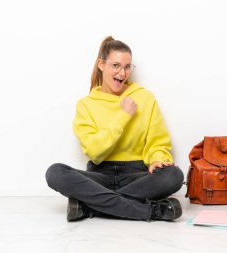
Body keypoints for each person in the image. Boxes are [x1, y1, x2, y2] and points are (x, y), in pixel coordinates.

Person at [45, 36, 184, 222]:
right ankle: (152, 211)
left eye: (127, 67)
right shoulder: (86, 105)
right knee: (55, 172)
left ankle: (88, 206)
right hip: (99, 176)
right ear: (101, 64)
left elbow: (157, 141)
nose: (123, 72)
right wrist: (123, 116)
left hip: (136, 176)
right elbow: (95, 152)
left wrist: (158, 159)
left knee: (173, 175)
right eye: (116, 65)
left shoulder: (144, 97)